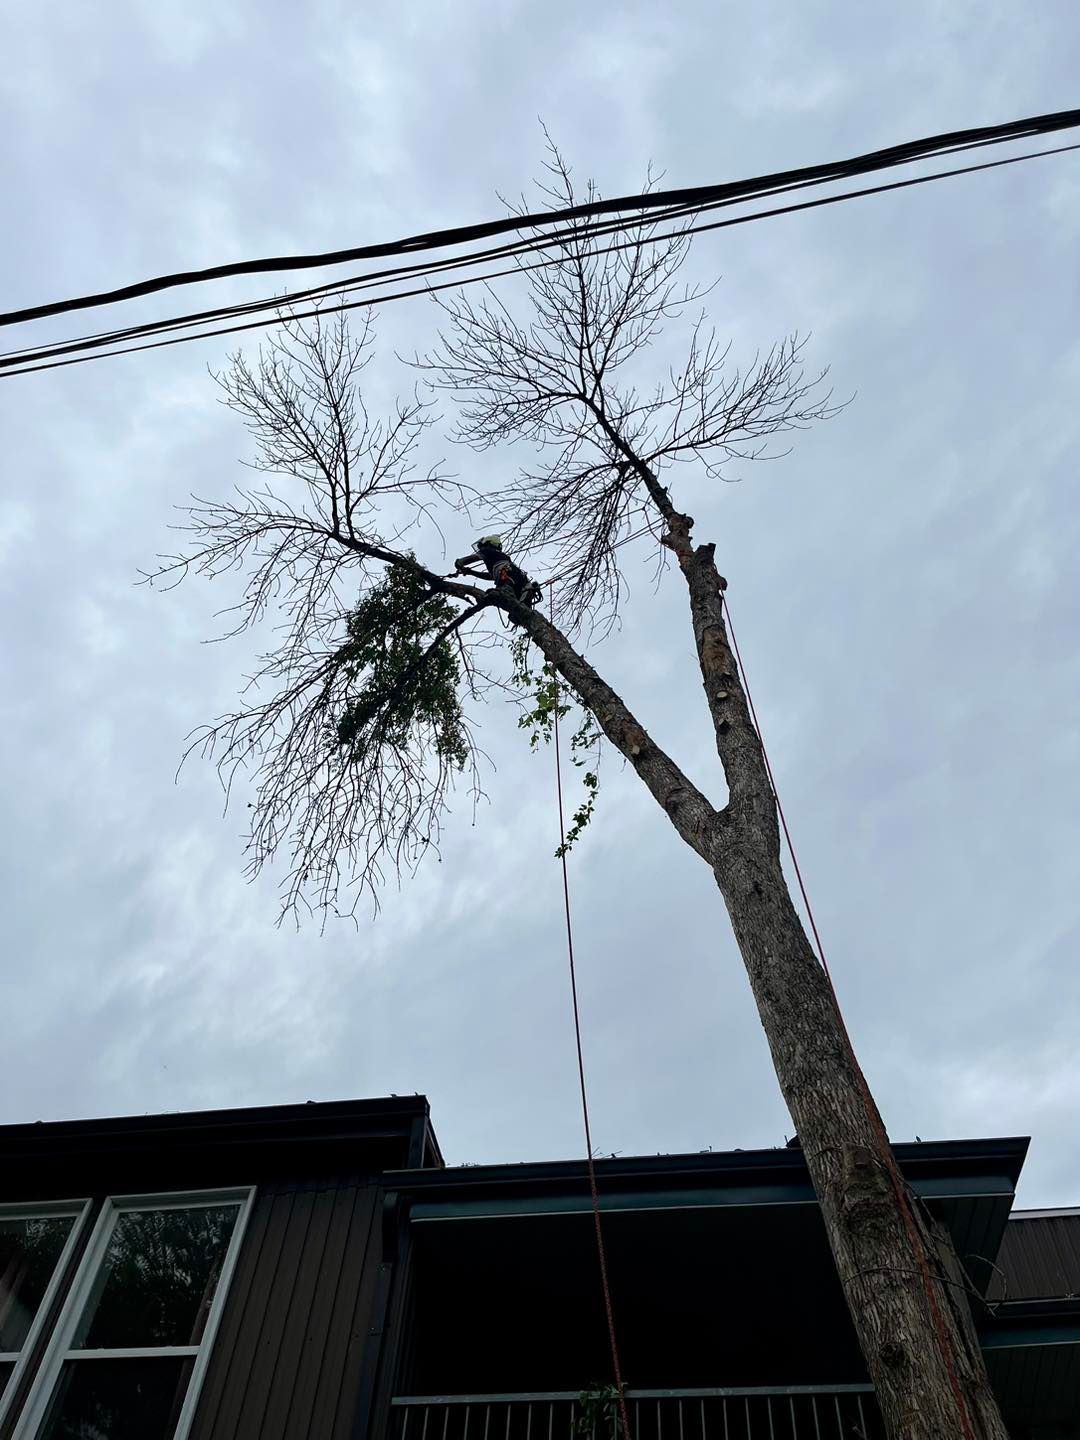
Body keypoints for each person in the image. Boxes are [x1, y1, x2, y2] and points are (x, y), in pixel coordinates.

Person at [454, 536, 542, 606]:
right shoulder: (500, 557)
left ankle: (513, 594)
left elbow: (473, 558)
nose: (481, 549)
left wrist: (459, 562)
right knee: (519, 611)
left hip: (509, 579)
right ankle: (525, 599)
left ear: (488, 544)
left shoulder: (487, 551)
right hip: (520, 581)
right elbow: (491, 576)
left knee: (501, 594)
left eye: (482, 547)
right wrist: (471, 572)